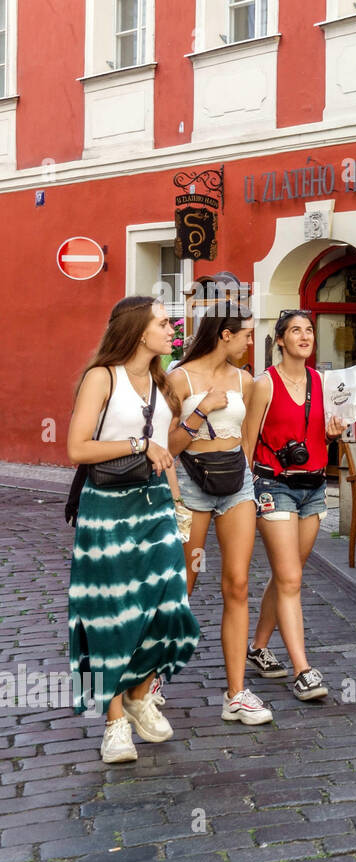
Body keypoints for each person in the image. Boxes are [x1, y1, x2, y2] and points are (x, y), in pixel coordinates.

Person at [66, 296, 201, 763]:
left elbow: (164, 451)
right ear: (139, 331)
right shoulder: (102, 377)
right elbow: (77, 449)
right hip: (106, 510)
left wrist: (178, 500)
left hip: (156, 506)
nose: (172, 330)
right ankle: (115, 722)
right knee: (112, 615)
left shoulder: (163, 384)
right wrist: (137, 443)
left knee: (169, 606)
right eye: (164, 323)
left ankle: (143, 693)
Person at [167, 303, 271, 725]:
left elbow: (248, 440)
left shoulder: (245, 380)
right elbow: (169, 445)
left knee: (239, 584)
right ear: (223, 335)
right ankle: (152, 676)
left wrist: (244, 478)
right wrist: (201, 409)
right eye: (245, 334)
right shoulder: (179, 378)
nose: (250, 342)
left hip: (236, 484)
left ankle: (237, 693)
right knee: (183, 583)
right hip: (192, 483)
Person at [243, 310, 345, 701]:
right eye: (295, 331)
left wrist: (335, 434)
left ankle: (257, 647)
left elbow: (324, 433)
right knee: (290, 579)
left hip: (314, 486)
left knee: (289, 575)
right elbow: (246, 441)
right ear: (280, 341)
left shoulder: (321, 381)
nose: (304, 336)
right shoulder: (263, 384)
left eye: (309, 331)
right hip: (274, 485)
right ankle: (303, 670)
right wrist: (245, 491)